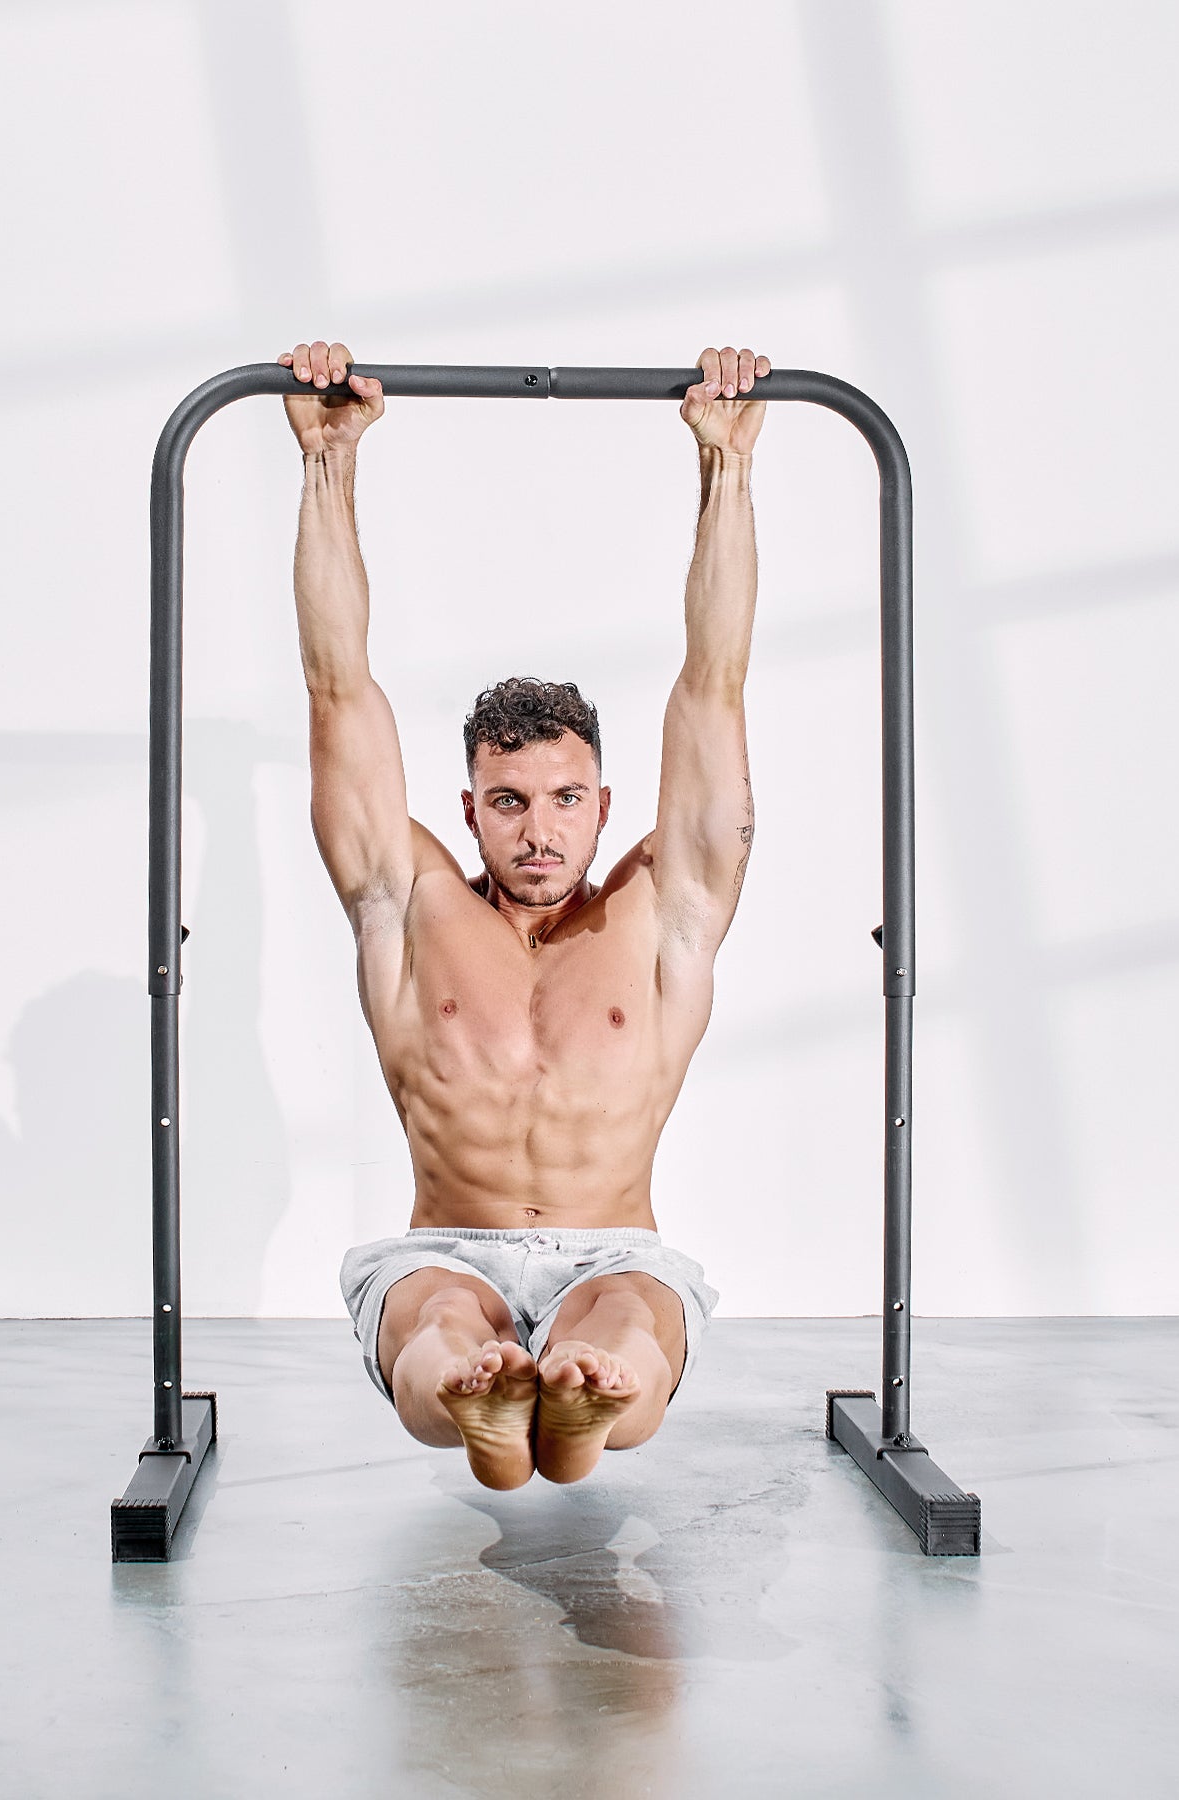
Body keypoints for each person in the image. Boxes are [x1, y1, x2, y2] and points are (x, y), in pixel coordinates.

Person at [280, 337, 769, 1489]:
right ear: (469, 806)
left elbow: (715, 682)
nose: (537, 832)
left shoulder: (665, 909)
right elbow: (337, 685)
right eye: (507, 803)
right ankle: (481, 1391)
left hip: (616, 1247)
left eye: (563, 802)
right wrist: (328, 466)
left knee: (625, 1332)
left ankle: (578, 1400)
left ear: (606, 804)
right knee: (439, 1320)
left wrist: (728, 471)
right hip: (451, 1242)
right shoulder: (408, 898)